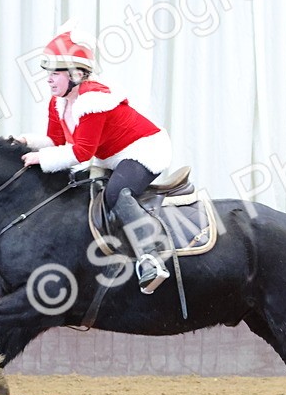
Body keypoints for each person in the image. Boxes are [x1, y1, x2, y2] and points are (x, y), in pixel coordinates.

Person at [18, 22, 174, 293]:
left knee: (117, 193)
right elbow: (57, 141)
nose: (49, 79)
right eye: (49, 73)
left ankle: (151, 257)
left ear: (78, 74)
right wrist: (25, 143)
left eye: (56, 72)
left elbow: (80, 153)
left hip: (145, 149)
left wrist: (41, 159)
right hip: (113, 156)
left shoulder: (92, 101)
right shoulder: (59, 102)